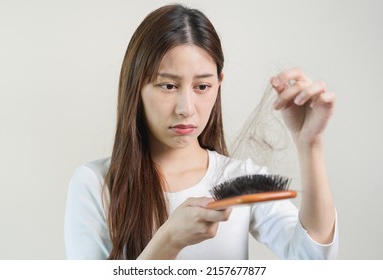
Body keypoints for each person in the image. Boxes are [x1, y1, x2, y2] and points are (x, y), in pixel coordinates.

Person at [64, 4, 338, 260]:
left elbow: (313, 256)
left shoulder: (240, 180)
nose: (186, 108)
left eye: (202, 87)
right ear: (136, 86)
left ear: (219, 83)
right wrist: (168, 240)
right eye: (168, 86)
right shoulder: (95, 184)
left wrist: (310, 143)